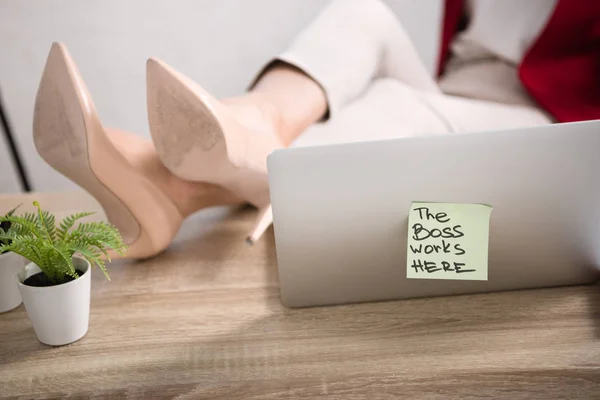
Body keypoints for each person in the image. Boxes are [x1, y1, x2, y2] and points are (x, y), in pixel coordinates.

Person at [33, 0, 600, 259]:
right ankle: (254, 122)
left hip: (544, 120)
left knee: (392, 104)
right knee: (363, 12)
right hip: (451, 87)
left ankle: (165, 180)